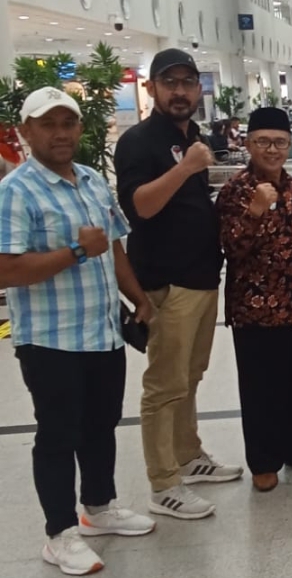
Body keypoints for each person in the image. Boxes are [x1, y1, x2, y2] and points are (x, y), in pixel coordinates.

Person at [0, 88, 157, 575]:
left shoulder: (91, 180)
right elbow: (6, 270)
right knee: (57, 434)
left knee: (101, 424)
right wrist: (75, 252)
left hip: (101, 331)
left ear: (80, 129)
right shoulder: (16, 191)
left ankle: (99, 507)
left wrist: (138, 297)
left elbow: (113, 247)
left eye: (67, 123)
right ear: (26, 132)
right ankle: (60, 534)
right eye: (47, 124)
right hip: (50, 339)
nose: (60, 133)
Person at [115, 49, 241, 521]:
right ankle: (163, 482)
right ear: (151, 89)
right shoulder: (139, 141)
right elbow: (140, 207)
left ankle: (188, 455)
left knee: (191, 375)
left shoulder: (193, 137)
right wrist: (186, 167)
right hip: (166, 282)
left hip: (202, 277)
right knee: (164, 385)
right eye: (170, 83)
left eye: (189, 82)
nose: (181, 91)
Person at [217, 108, 292, 492]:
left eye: (280, 142)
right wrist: (255, 210)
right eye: (263, 142)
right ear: (248, 144)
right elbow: (231, 249)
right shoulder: (235, 191)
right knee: (262, 390)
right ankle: (264, 461)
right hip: (257, 311)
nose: (272, 150)